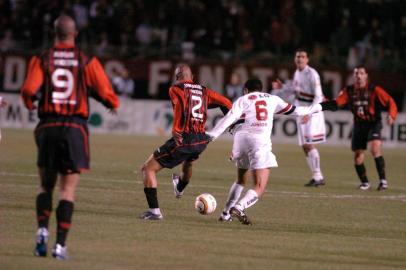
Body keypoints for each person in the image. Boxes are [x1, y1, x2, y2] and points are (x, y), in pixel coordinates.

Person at [20, 15, 120, 260]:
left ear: (54, 33)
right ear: (75, 34)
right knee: (67, 191)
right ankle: (59, 246)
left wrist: (29, 103)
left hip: (48, 126)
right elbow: (108, 93)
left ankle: (42, 231)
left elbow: (28, 91)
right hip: (74, 128)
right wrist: (111, 103)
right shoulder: (85, 59)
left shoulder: (42, 58)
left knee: (45, 185)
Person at [206, 79, 332, 225]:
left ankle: (225, 214)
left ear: (246, 90)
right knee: (259, 186)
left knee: (241, 180)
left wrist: (213, 134)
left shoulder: (243, 99)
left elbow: (230, 118)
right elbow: (298, 111)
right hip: (259, 141)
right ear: (261, 89)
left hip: (240, 139)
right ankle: (239, 207)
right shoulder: (272, 99)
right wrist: (322, 106)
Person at [139, 64, 232, 220]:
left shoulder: (175, 89)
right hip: (201, 141)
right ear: (192, 77)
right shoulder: (204, 91)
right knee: (188, 163)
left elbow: (179, 108)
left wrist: (176, 129)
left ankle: (154, 212)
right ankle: (179, 189)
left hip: (184, 138)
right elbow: (227, 103)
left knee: (147, 169)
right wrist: (232, 124)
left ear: (177, 77)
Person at [320, 66, 398, 191]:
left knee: (375, 148)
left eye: (361, 73)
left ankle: (383, 181)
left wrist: (392, 115)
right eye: (356, 73)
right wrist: (324, 105)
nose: (358, 76)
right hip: (359, 124)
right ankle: (365, 183)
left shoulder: (374, 90)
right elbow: (338, 103)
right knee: (358, 156)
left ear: (366, 75)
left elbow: (390, 101)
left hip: (373, 123)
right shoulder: (349, 90)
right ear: (354, 76)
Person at [272, 49, 327, 187]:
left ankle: (319, 176)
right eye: (297, 56)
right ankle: (316, 176)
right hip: (301, 111)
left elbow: (319, 96)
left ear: (307, 59)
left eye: (302, 57)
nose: (300, 59)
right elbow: (296, 91)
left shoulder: (312, 74)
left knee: (308, 144)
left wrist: (309, 113)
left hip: (310, 111)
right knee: (304, 145)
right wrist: (283, 87)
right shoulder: (297, 73)